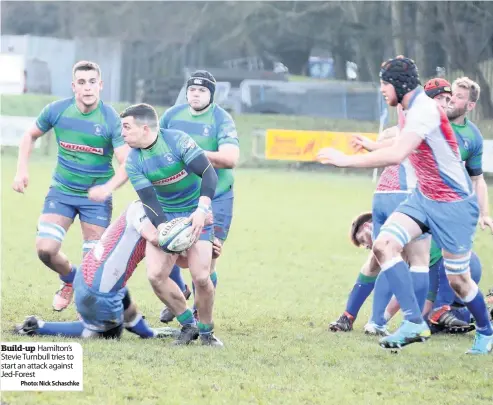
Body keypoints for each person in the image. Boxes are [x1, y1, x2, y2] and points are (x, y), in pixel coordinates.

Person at [317, 56, 492, 354]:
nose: (382, 90)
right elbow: (398, 142)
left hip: (453, 203)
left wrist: (345, 160)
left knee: (460, 281)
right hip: (422, 197)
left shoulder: (424, 109)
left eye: (384, 84)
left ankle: (486, 332)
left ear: (398, 84)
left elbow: (397, 154)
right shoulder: (404, 107)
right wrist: (372, 145)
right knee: (383, 246)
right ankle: (413, 321)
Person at [12, 61, 130, 312]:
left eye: (92, 82)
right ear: (73, 86)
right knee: (45, 250)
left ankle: (102, 305)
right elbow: (29, 135)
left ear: (101, 85)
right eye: (82, 82)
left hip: (95, 199)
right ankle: (68, 279)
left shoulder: (111, 120)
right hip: (62, 192)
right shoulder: (57, 110)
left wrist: (107, 189)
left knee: (93, 266)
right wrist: (22, 170)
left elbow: (126, 164)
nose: (87, 88)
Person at [14, 201, 192, 340]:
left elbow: (174, 256)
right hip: (96, 292)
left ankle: (149, 333)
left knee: (123, 300)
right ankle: (39, 326)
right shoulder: (144, 214)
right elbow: (158, 240)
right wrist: (190, 237)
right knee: (108, 334)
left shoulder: (138, 207)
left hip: (89, 278)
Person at [122, 103, 223, 347]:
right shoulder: (133, 161)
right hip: (166, 216)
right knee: (156, 275)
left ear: (144, 128)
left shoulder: (177, 141)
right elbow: (150, 201)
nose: (122, 133)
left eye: (126, 127)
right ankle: (188, 325)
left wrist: (201, 210)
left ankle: (207, 333)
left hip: (196, 213)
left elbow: (209, 174)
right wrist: (169, 233)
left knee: (200, 277)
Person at [158, 70, 240, 323]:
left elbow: (230, 158)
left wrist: (192, 152)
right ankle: (180, 292)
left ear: (211, 95)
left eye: (202, 90)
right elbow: (155, 146)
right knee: (168, 244)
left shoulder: (221, 119)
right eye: (192, 89)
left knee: (208, 260)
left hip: (216, 195)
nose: (195, 94)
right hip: (181, 195)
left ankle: (198, 309)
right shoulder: (172, 115)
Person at [350, 212, 481, 335]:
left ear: (367, 226)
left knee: (427, 320)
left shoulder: (397, 239)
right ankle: (473, 311)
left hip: (451, 265)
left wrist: (381, 320)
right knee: (429, 317)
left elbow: (404, 288)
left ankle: (471, 313)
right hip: (465, 262)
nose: (366, 246)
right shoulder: (404, 226)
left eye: (362, 240)